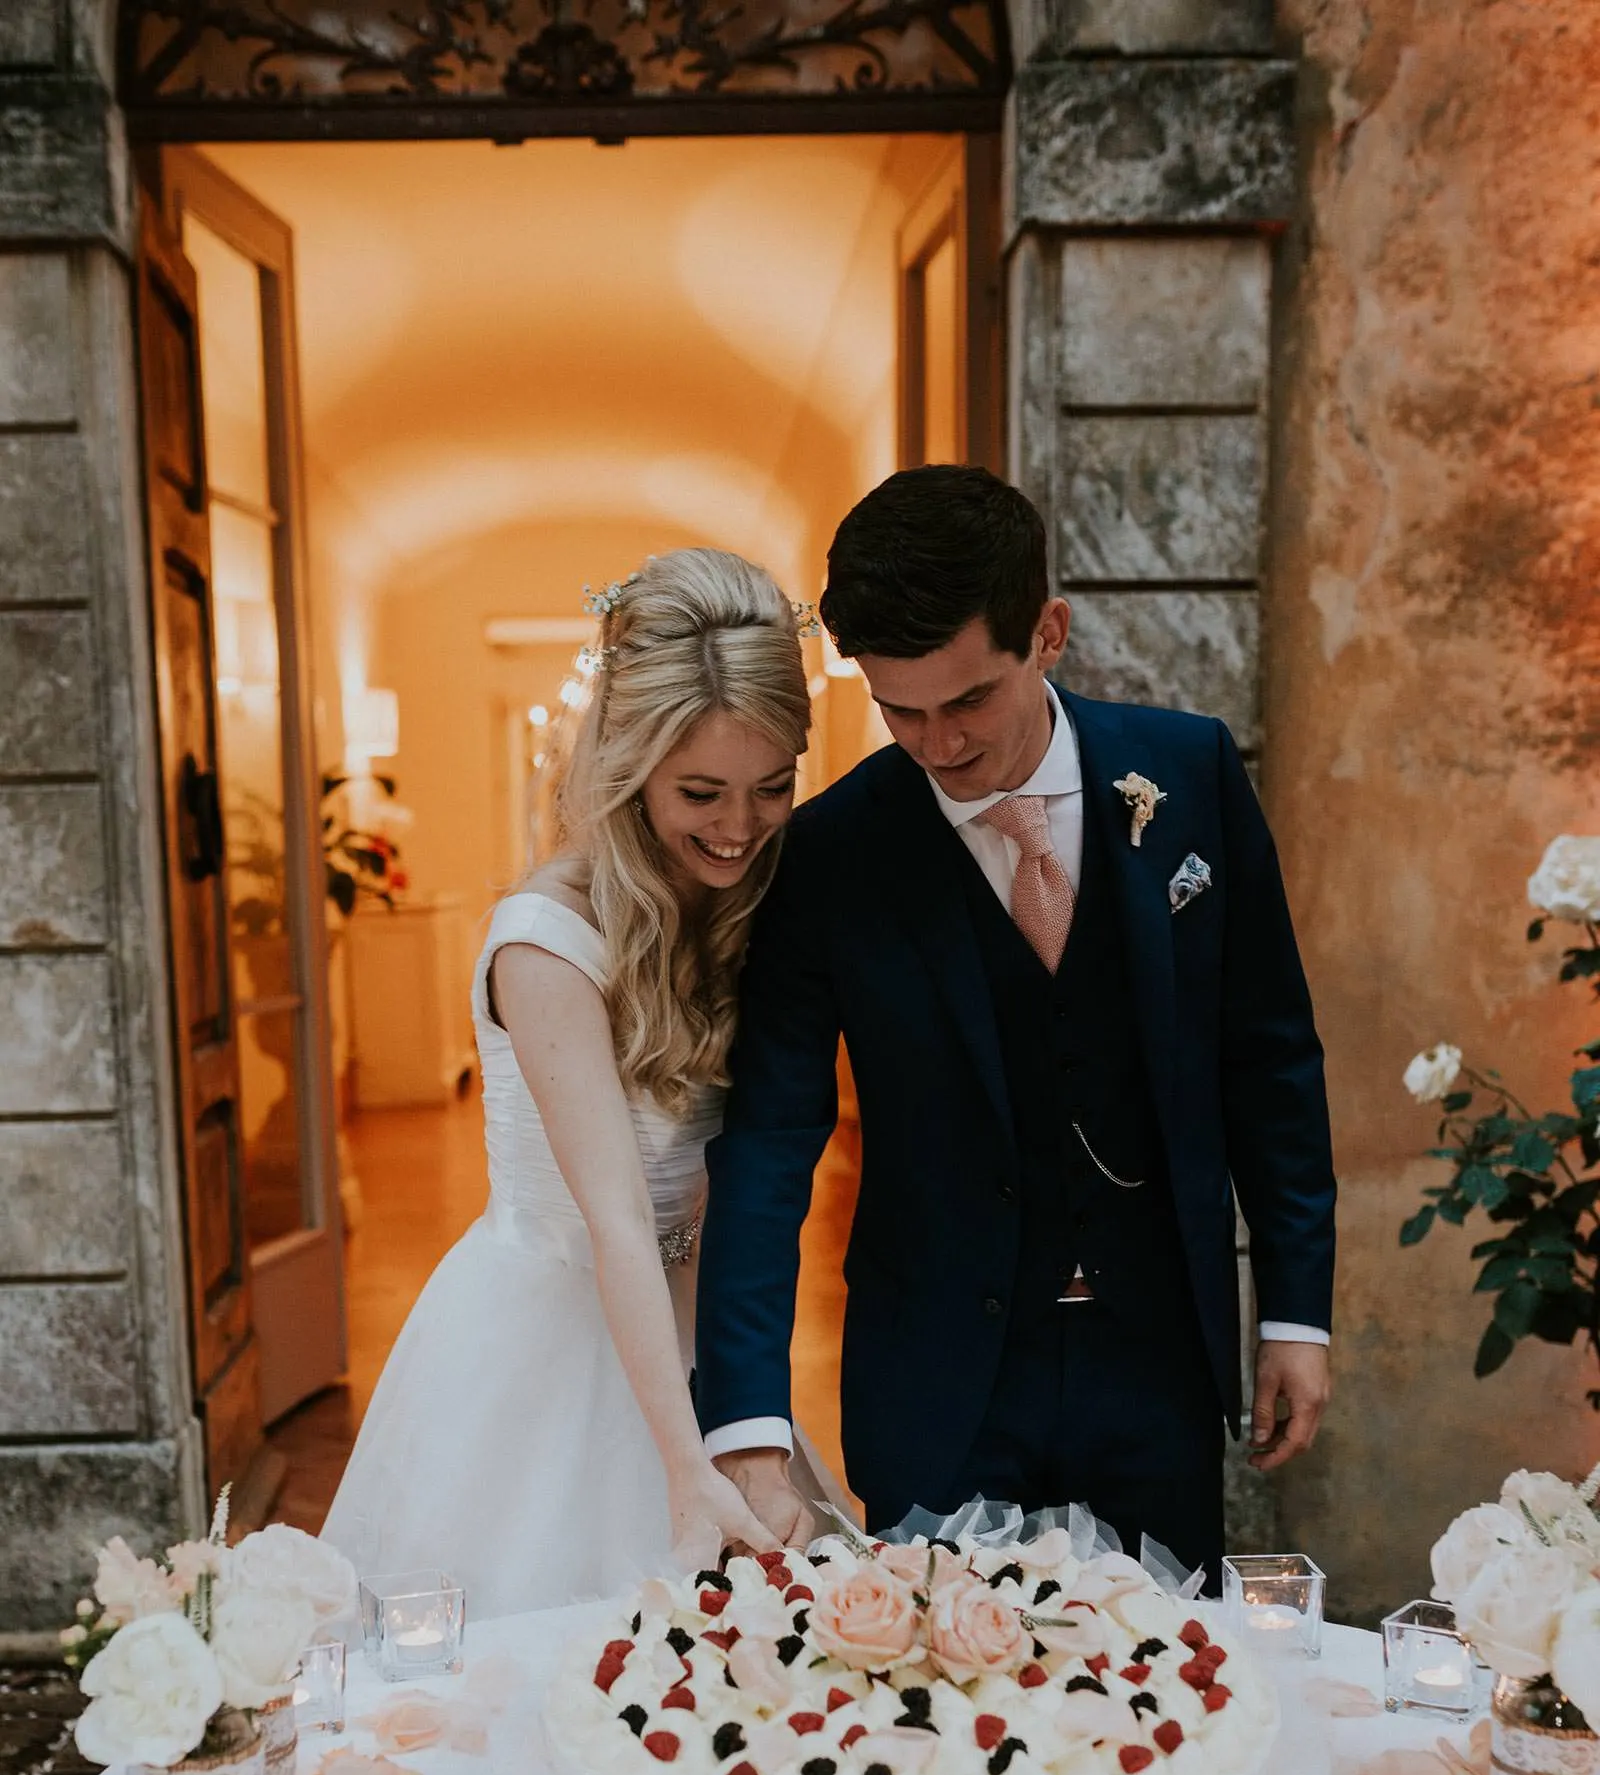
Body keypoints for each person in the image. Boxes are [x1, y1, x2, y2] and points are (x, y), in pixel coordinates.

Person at [696, 467, 1336, 1589]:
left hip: (1153, 1370)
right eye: (900, 710)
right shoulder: (830, 856)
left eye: (967, 702)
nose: (936, 746)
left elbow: (1267, 1059)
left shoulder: (1188, 774)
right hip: (936, 1383)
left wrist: (1294, 1314)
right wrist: (746, 1416)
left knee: (1164, 1701)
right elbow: (765, 1140)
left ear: (1048, 632)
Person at [322, 548, 814, 1618]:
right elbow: (616, 1224)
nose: (740, 826)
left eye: (772, 787)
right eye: (700, 793)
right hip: (547, 1337)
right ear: (629, 765)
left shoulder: (749, 893)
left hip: (698, 1326)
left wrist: (743, 1421)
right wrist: (685, 1465)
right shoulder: (545, 939)